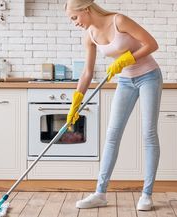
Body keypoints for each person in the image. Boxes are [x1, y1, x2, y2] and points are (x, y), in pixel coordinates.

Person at [65, 0, 162, 211]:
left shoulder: (119, 21)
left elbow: (152, 44)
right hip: (126, 81)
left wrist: (124, 60)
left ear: (86, 9)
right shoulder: (90, 36)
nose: (74, 23)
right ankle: (100, 193)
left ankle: (146, 195)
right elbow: (87, 73)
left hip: (149, 77)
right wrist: (76, 101)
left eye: (75, 17)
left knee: (148, 133)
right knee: (112, 134)